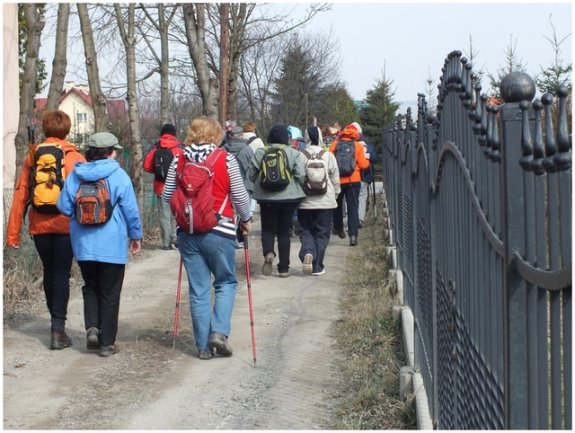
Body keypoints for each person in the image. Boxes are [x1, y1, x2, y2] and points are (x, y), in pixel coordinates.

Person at [162, 115, 251, 360]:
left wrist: (183, 212)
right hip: (220, 230)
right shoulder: (225, 158)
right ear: (216, 134)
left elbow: (167, 194)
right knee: (226, 283)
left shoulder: (179, 159)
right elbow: (240, 197)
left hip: (188, 233)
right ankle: (219, 333)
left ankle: (202, 347)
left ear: (192, 133)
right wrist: (245, 219)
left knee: (198, 290)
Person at [57, 132, 143, 357]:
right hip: (112, 246)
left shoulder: (76, 175)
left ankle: (93, 329)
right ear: (111, 152)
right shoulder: (119, 175)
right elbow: (131, 211)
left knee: (90, 287)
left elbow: (63, 207)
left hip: (83, 245)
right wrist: (135, 236)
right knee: (110, 292)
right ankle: (107, 344)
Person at [6, 110, 86, 351]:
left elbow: (21, 195)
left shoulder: (33, 157)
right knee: (61, 273)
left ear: (45, 129)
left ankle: (55, 321)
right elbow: (87, 196)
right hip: (65, 225)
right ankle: (57, 329)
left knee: (49, 271)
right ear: (67, 130)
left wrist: (12, 235)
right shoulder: (76, 158)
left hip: (39, 225)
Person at [247, 124, 306, 278]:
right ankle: (284, 268)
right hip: (289, 198)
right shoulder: (293, 153)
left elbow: (251, 174)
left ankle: (269, 253)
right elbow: (300, 175)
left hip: (266, 198)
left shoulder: (261, 152)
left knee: (267, 229)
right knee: (284, 232)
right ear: (286, 137)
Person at [297, 125, 340, 276]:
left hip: (305, 202)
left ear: (306, 137)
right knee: (322, 233)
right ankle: (317, 267)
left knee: (306, 230)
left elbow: (298, 177)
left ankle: (308, 251)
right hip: (325, 201)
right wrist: (335, 194)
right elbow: (335, 178)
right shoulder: (328, 155)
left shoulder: (301, 155)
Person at [329, 122, 370, 246]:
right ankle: (353, 236)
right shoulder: (358, 145)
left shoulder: (335, 144)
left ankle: (339, 229)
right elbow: (363, 165)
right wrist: (367, 160)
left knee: (337, 205)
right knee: (353, 207)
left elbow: (330, 161)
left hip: (338, 180)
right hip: (354, 180)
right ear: (355, 134)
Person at [143, 123, 183, 250]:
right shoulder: (180, 148)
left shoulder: (156, 147)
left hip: (161, 186)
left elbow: (147, 166)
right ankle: (175, 238)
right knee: (176, 213)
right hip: (177, 186)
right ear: (174, 134)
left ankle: (166, 242)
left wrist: (157, 171)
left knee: (164, 214)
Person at [358, 134, 378, 228]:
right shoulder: (367, 145)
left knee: (352, 198)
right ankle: (360, 219)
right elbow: (374, 158)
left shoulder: (349, 144)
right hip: (364, 176)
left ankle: (353, 218)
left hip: (352, 176)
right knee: (362, 196)